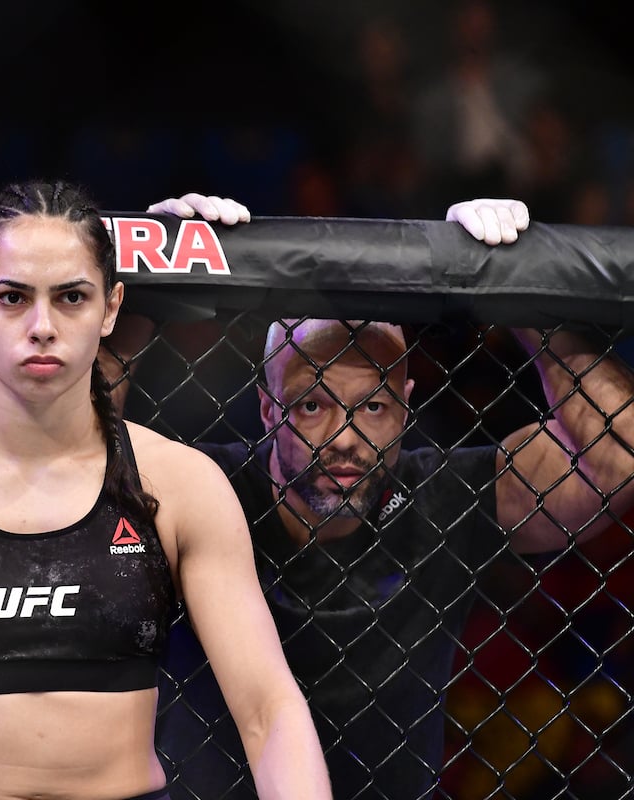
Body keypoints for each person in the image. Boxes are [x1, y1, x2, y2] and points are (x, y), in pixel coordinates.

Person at [0, 180, 332, 800]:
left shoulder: (181, 485)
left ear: (110, 308)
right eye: (12, 297)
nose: (42, 327)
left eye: (71, 297)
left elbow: (269, 710)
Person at [137, 194, 634, 799]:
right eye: (312, 405)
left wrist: (516, 282)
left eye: (372, 406)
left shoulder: (444, 498)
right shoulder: (202, 487)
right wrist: (145, 271)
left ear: (407, 407)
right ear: (267, 408)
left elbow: (615, 458)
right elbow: (70, 455)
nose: (344, 438)